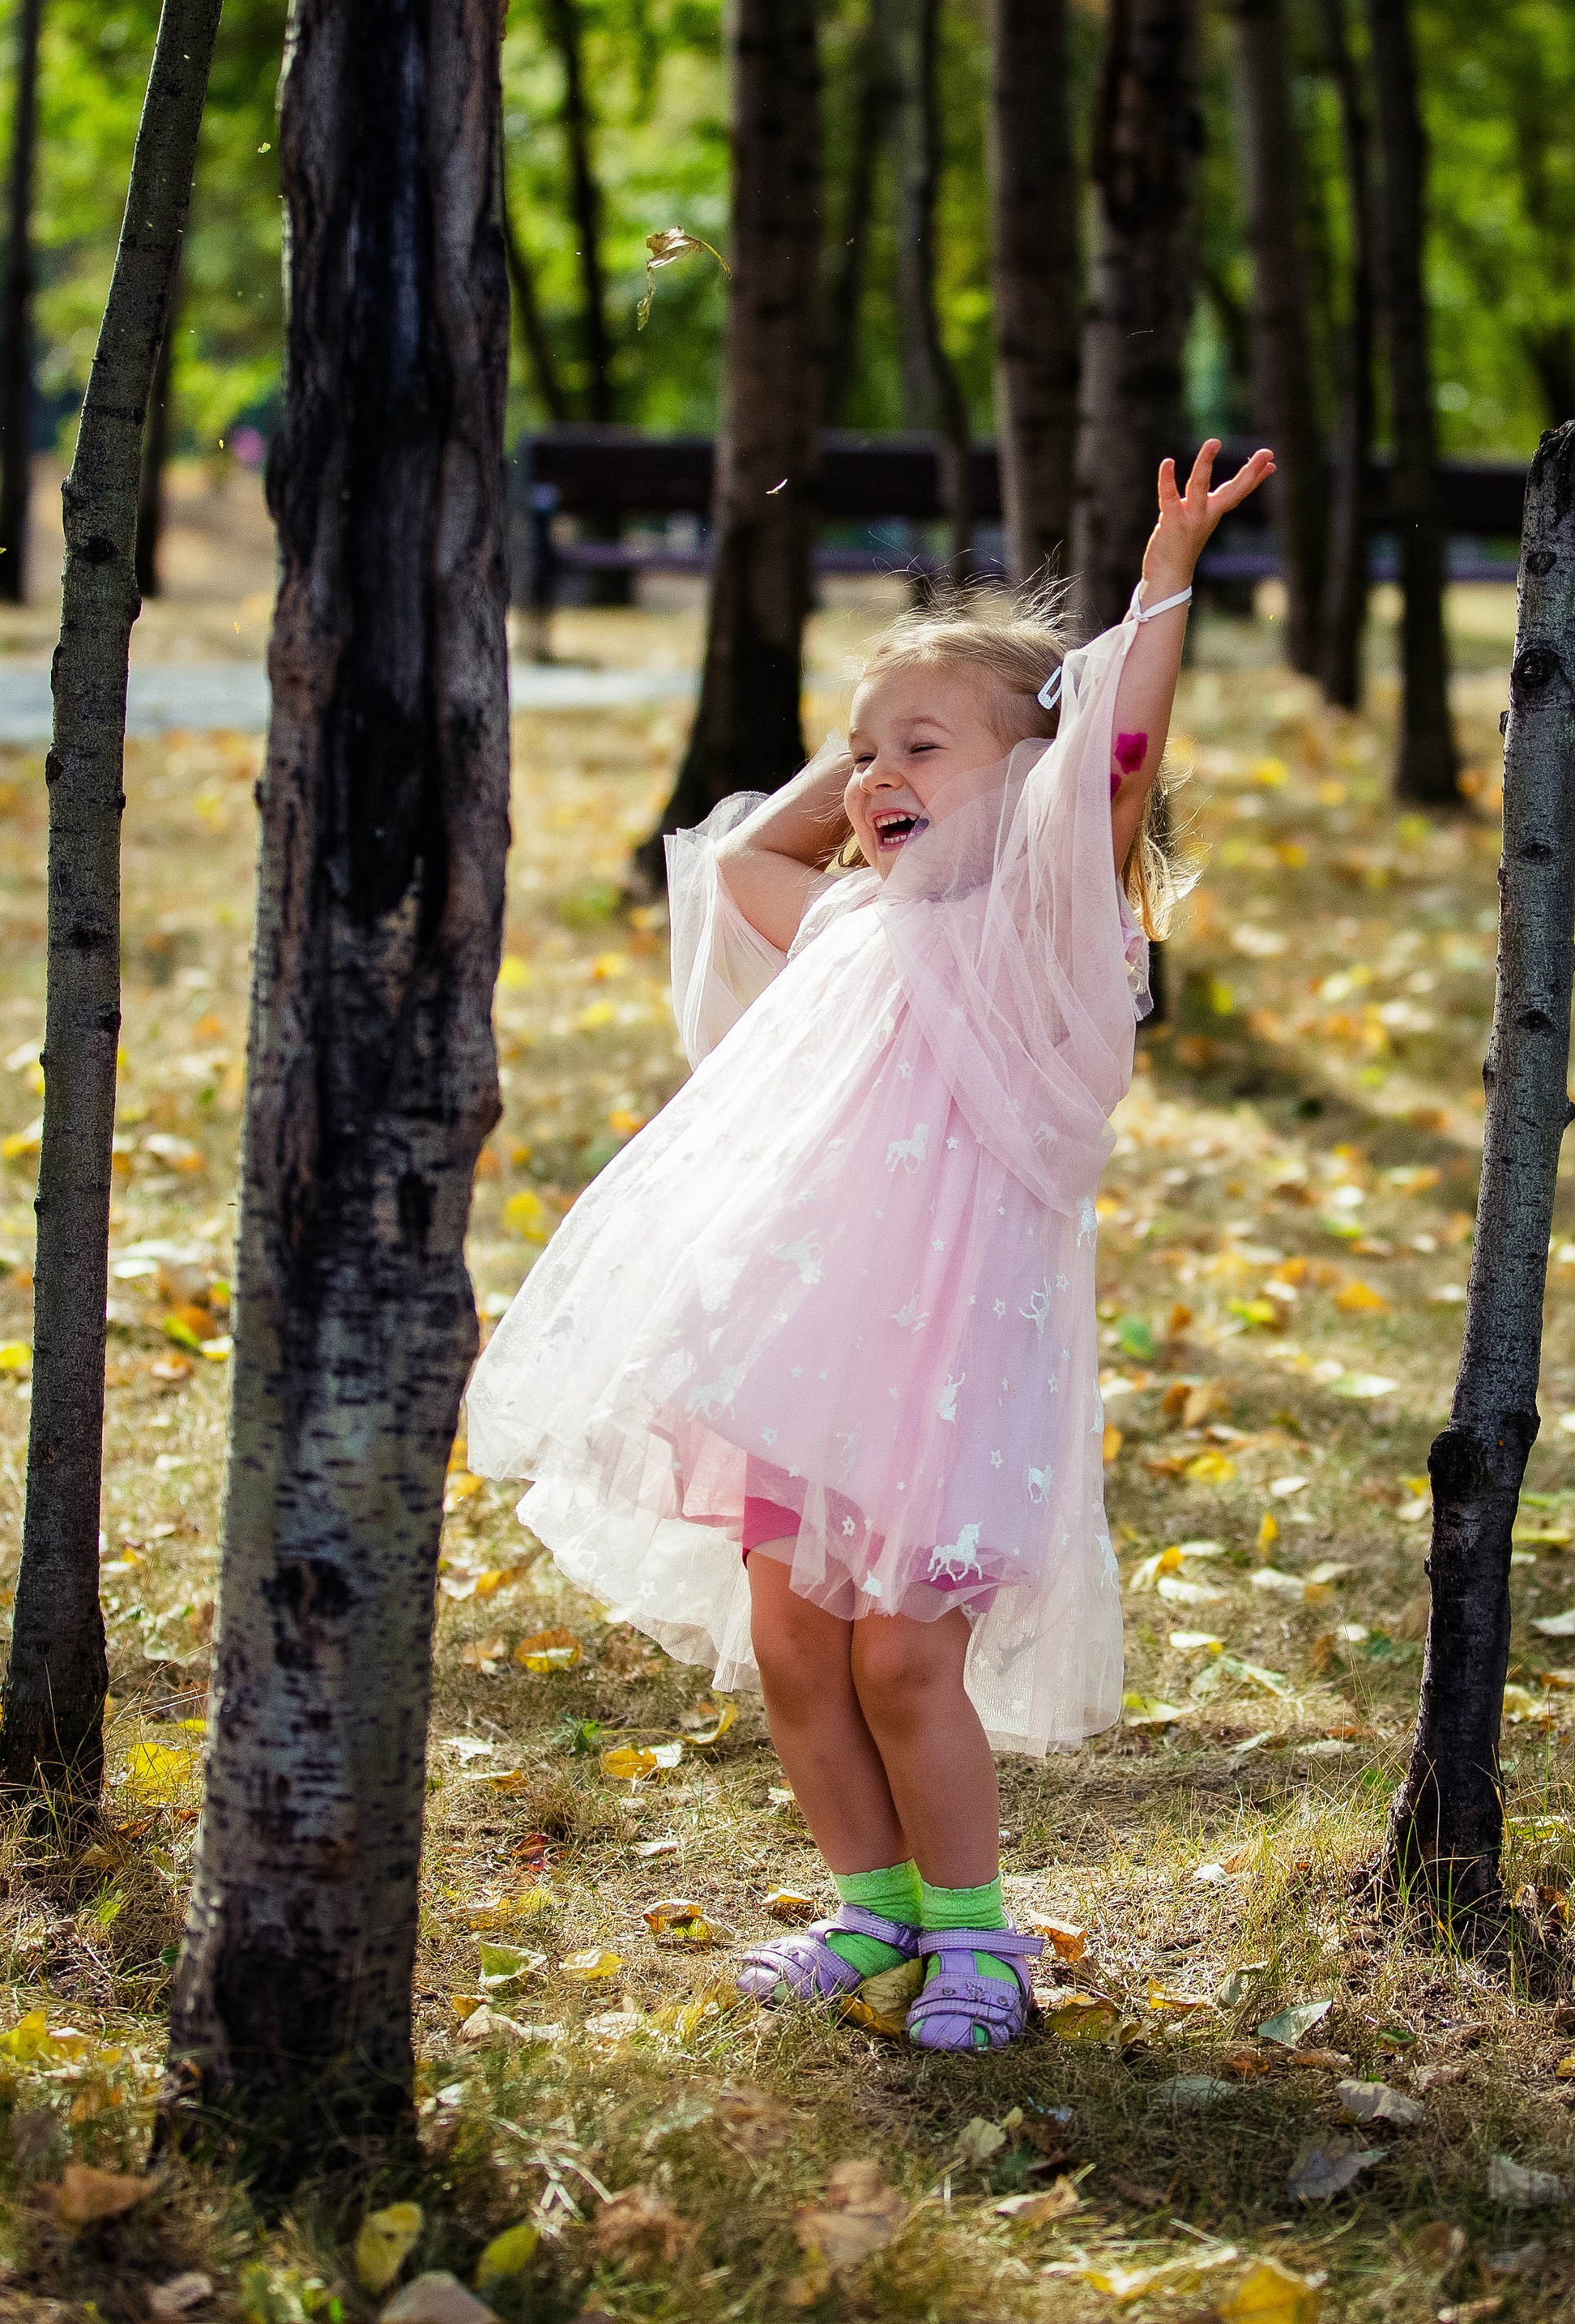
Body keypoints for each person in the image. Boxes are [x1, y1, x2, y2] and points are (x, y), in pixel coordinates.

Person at [466, 441, 1275, 2052]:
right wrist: (865, 767)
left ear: (1034, 782)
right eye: (863, 752)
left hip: (952, 1373)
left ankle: (978, 1937)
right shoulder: (853, 920)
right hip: (803, 1357)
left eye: (922, 747)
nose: (875, 774)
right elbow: (745, 861)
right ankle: (871, 1907)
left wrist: (1156, 593)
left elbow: (1111, 770)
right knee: (793, 1647)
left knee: (905, 1660)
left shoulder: (1047, 939)